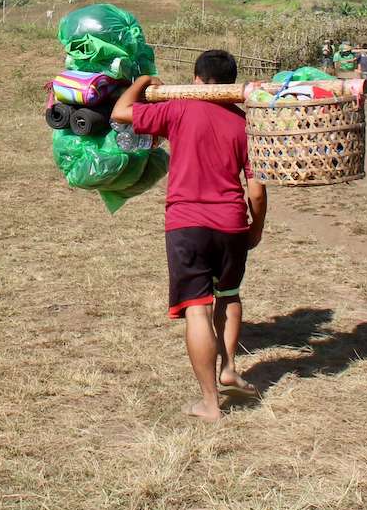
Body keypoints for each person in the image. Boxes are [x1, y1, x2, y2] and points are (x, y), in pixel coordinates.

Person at [111, 49, 267, 421]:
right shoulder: (246, 124)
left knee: (198, 309)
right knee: (228, 296)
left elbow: (120, 114)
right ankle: (229, 368)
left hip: (187, 223)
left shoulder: (178, 108)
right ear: (230, 84)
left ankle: (210, 404)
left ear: (196, 80)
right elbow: (257, 189)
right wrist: (255, 227)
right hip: (232, 224)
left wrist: (145, 81)